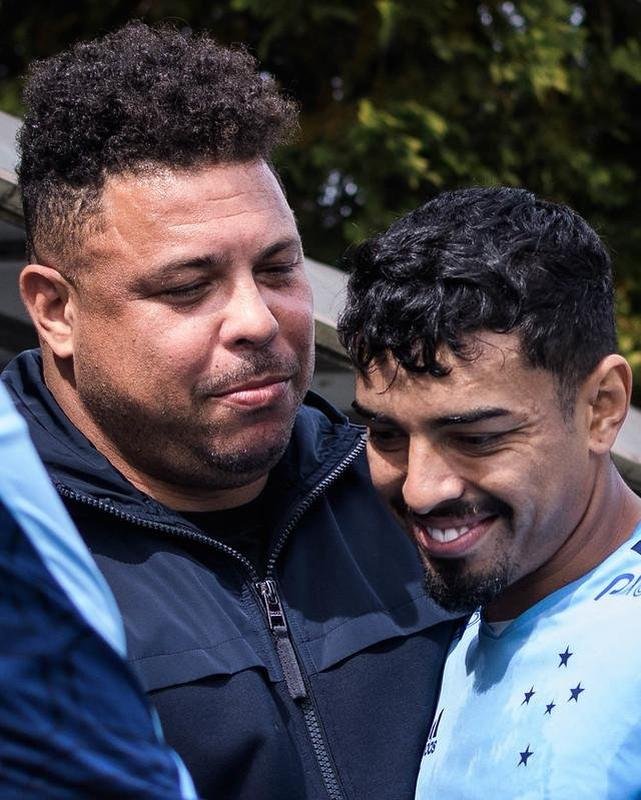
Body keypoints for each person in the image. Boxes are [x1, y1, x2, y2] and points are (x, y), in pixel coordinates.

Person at [1, 21, 457, 800]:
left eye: (277, 268)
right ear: (55, 309)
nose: (256, 319)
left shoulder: (416, 499)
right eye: (187, 287)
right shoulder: (24, 566)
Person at [338, 186, 641, 799]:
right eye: (386, 433)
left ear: (602, 409)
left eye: (476, 438)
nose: (422, 490)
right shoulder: (467, 622)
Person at [0, 381, 196, 799]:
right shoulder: (22, 503)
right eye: (185, 308)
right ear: (56, 315)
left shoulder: (361, 473)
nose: (258, 324)